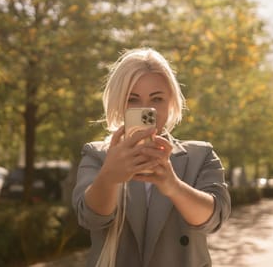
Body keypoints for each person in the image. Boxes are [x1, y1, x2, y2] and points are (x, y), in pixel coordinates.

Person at [72, 48, 231, 267]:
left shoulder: (200, 155)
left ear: (171, 102)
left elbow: (213, 219)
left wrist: (173, 186)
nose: (146, 109)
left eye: (157, 99)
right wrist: (109, 176)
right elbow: (90, 218)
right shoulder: (97, 155)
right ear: (119, 102)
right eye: (133, 99)